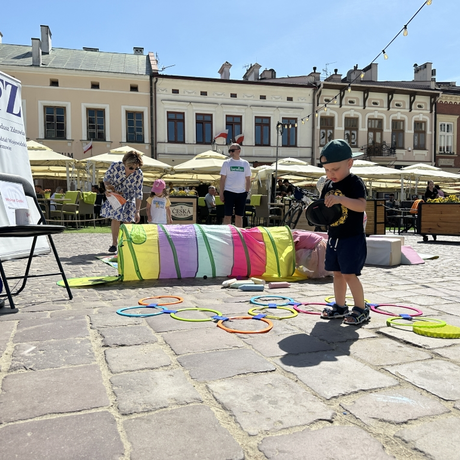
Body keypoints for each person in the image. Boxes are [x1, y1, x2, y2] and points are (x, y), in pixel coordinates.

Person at [318, 139, 369, 325]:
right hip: (334, 236)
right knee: (337, 273)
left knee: (349, 274)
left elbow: (361, 205)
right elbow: (325, 209)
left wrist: (341, 200)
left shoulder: (354, 182)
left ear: (349, 163)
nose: (330, 174)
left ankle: (361, 308)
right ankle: (340, 306)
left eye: (335, 169)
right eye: (327, 170)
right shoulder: (328, 185)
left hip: (352, 237)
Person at [100, 150, 144, 253]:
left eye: (136, 168)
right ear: (125, 163)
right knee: (116, 218)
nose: (133, 170)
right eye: (131, 168)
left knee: (128, 220)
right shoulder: (115, 166)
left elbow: (138, 193)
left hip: (129, 197)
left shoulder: (139, 174)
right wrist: (108, 188)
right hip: (116, 195)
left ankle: (125, 243)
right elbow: (106, 179)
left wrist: (137, 211)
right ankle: (114, 244)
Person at [219, 143, 251, 228]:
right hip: (229, 191)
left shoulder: (245, 163)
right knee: (227, 215)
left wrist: (246, 192)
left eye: (232, 150)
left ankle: (239, 235)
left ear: (239, 151)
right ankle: (226, 234)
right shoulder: (226, 163)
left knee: (239, 216)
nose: (230, 153)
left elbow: (248, 179)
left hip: (241, 192)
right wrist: (221, 193)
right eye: (229, 151)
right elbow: (222, 179)